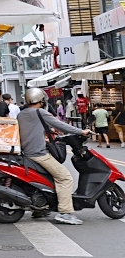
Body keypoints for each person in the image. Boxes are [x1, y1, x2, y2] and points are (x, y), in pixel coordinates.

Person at [18, 87, 93, 225]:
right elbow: (62, 125)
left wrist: (47, 134)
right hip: (38, 154)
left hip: (26, 152)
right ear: (41, 100)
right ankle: (65, 213)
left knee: (47, 179)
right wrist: (82, 131)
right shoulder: (40, 112)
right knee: (65, 178)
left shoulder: (21, 114)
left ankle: (39, 209)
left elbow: (31, 129)